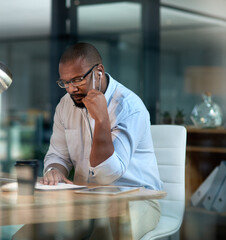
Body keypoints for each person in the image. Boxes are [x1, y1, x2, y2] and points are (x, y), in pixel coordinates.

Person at [36, 42, 162, 239]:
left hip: (138, 199)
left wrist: (101, 118)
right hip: (86, 199)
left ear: (99, 72)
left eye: (77, 80)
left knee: (107, 232)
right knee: (33, 233)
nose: (70, 89)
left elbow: (107, 174)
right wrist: (54, 172)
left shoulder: (129, 108)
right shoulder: (65, 105)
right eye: (65, 82)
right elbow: (57, 155)